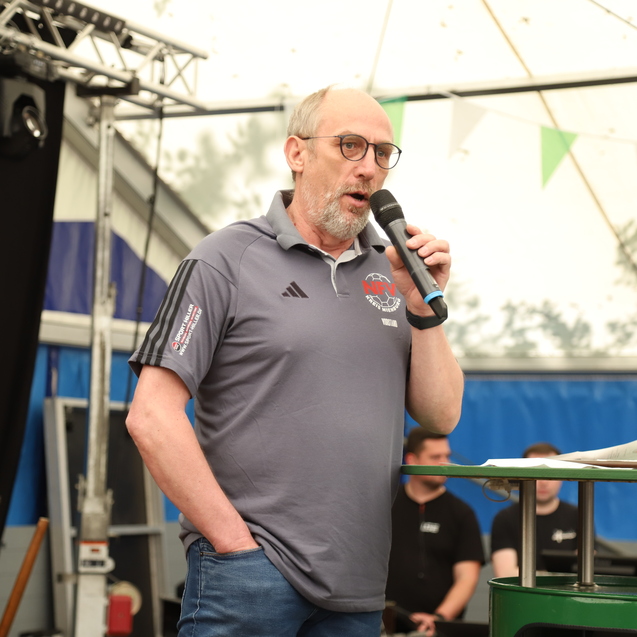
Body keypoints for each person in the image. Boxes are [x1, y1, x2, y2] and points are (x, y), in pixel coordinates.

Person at [125, 86, 464, 637]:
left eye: (382, 152)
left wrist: (423, 307)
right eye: (350, 145)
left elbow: (442, 415)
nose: (369, 167)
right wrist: (235, 545)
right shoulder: (225, 259)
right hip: (250, 576)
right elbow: (151, 416)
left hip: (358, 587)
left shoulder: (393, 270)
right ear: (297, 153)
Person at [385, 429, 484, 636]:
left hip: (440, 629)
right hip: (384, 624)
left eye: (447, 456)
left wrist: (439, 618)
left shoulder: (461, 513)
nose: (444, 463)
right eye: (435, 457)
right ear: (412, 460)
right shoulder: (386, 505)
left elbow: (467, 577)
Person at [490, 442, 579, 577]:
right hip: (523, 591)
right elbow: (506, 574)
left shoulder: (579, 516)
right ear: (522, 476)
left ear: (562, 476)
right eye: (535, 472)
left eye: (550, 472)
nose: (543, 481)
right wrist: (556, 577)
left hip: (567, 591)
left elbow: (586, 568)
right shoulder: (505, 519)